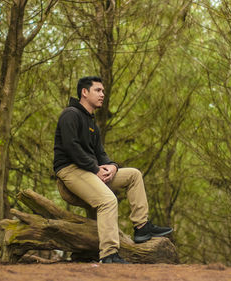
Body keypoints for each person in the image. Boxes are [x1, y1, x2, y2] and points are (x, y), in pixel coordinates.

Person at [53, 76, 173, 264]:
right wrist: (95, 168)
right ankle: (109, 254)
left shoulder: (92, 123)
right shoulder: (71, 114)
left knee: (134, 175)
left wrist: (112, 166)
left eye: (103, 91)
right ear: (84, 92)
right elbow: (71, 147)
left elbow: (101, 154)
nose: (102, 94)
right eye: (98, 90)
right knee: (108, 201)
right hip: (70, 170)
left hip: (90, 171)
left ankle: (142, 228)